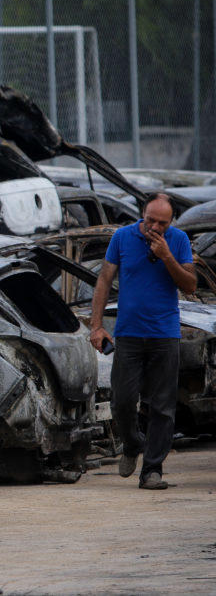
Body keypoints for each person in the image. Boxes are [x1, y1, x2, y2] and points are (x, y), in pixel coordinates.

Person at [90, 192, 195, 490]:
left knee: (162, 407)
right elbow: (104, 281)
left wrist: (166, 255)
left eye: (162, 222)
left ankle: (152, 471)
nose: (155, 227)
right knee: (122, 400)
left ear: (171, 221)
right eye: (150, 220)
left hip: (165, 335)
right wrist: (97, 326)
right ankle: (133, 443)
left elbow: (189, 285)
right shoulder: (122, 238)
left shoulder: (178, 241)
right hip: (128, 334)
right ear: (142, 215)